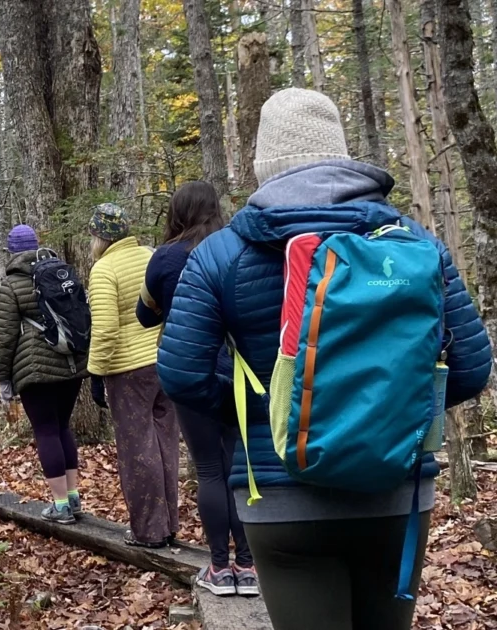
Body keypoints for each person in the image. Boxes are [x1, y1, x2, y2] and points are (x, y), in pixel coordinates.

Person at [158, 89, 491, 629]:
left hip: (281, 496)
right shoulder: (415, 244)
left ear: (263, 163)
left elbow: (181, 372)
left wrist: (264, 413)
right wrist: (394, 414)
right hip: (396, 491)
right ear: (341, 153)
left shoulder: (219, 254)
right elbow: (472, 366)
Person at [135, 182, 256, 596]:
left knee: (209, 470)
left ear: (178, 212)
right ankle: (248, 565)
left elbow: (144, 315)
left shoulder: (166, 256)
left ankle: (220, 568)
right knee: (238, 468)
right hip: (241, 373)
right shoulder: (236, 246)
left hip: (191, 371)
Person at [86, 202, 178, 548]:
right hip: (163, 360)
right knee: (165, 443)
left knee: (137, 449)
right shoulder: (151, 256)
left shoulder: (104, 269)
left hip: (128, 370)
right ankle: (168, 525)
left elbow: (106, 329)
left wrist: (96, 372)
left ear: (99, 236)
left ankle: (149, 531)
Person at [0, 225, 89, 524]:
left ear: (11, 251)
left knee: (46, 431)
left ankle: (60, 505)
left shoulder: (11, 284)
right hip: (72, 364)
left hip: (35, 370)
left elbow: (6, 336)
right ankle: (73, 498)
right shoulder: (61, 272)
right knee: (62, 427)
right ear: (37, 245)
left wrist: (3, 377)